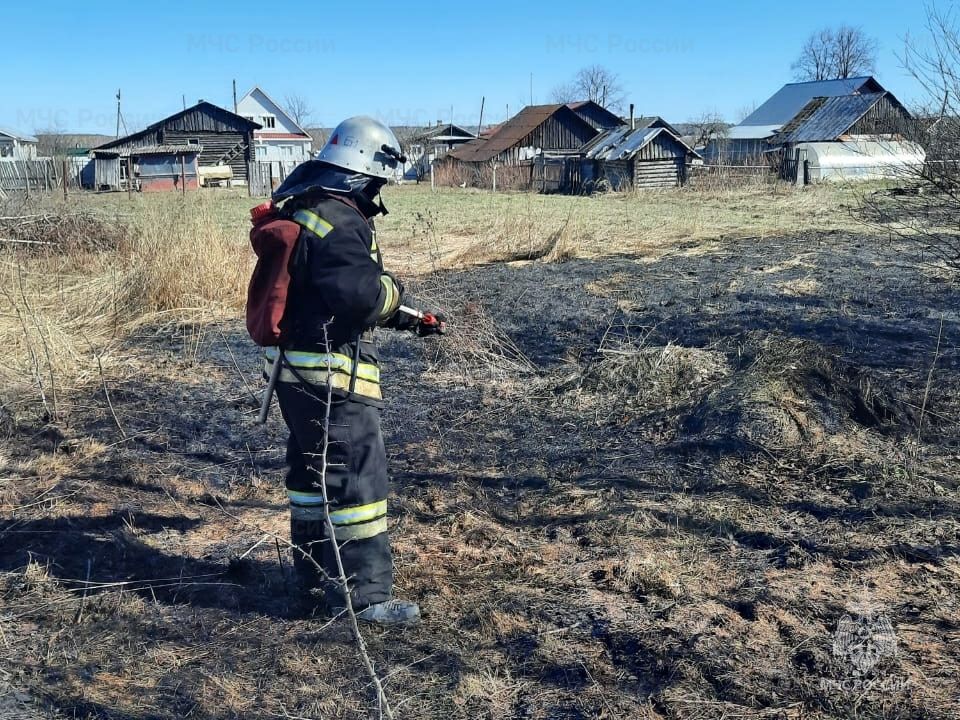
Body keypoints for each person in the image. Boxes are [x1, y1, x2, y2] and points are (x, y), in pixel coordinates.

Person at [250, 117, 445, 625]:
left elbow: (327, 290)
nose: (378, 195)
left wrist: (409, 321)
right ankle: (365, 598)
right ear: (363, 172)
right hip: (330, 379)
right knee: (357, 476)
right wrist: (395, 293)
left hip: (292, 372)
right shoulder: (342, 218)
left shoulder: (308, 208)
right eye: (378, 184)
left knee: (313, 475)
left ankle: (315, 578)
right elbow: (358, 294)